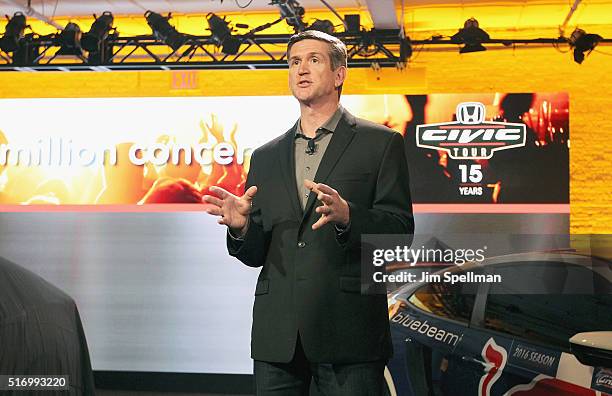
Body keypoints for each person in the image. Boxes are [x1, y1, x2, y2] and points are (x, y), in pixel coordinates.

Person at [203, 30, 413, 396]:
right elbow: (257, 254)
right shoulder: (266, 156)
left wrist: (350, 216)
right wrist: (240, 229)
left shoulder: (380, 143)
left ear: (339, 74)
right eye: (294, 61)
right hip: (278, 339)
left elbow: (399, 233)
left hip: (349, 335)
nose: (301, 69)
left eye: (314, 60)